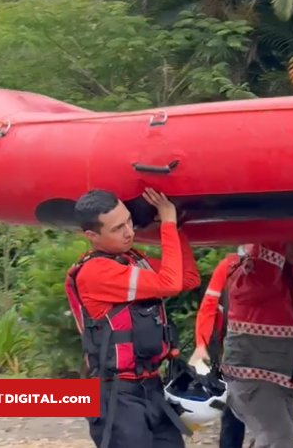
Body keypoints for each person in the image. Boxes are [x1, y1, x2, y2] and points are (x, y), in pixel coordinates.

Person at [65, 188, 202, 448]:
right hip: (116, 395)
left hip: (151, 386)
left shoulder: (131, 260)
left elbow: (188, 279)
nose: (129, 231)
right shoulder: (96, 272)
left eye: (129, 221)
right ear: (92, 236)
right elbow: (171, 284)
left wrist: (175, 228)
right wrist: (169, 222)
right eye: (117, 228)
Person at [221, 240, 293, 448]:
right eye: (289, 243)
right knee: (278, 439)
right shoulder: (252, 276)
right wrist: (281, 234)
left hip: (283, 380)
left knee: (272, 437)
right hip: (254, 381)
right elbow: (271, 242)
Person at [189, 247, 252, 448]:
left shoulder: (282, 264)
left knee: (251, 415)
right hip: (235, 351)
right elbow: (208, 306)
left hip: (263, 350)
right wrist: (201, 345)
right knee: (233, 413)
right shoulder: (229, 266)